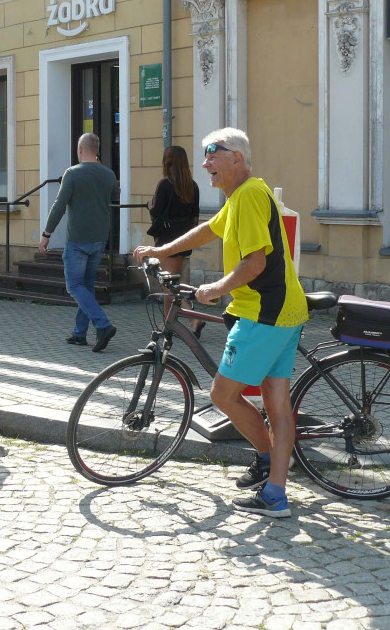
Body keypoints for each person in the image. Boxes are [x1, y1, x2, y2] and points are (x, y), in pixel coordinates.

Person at [133, 128, 309, 519]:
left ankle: (267, 462)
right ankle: (275, 489)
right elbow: (210, 229)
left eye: (215, 153)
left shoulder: (246, 196)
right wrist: (161, 250)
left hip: (263, 314)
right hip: (286, 311)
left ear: (238, 159)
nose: (206, 162)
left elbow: (255, 263)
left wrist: (214, 288)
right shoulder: (245, 193)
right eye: (205, 154)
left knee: (222, 395)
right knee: (276, 406)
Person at [39, 133, 120, 352]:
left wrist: (47, 233)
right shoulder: (109, 174)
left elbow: (59, 205)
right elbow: (115, 195)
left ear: (80, 150)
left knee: (75, 286)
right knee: (87, 286)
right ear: (98, 151)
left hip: (77, 239)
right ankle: (79, 333)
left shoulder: (72, 174)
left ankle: (103, 325)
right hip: (99, 238)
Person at [147, 145, 201, 326]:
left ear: (167, 162)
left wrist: (150, 206)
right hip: (185, 237)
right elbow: (195, 214)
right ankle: (168, 323)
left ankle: (193, 318)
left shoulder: (165, 184)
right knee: (172, 281)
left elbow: (156, 212)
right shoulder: (192, 186)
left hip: (168, 238)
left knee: (168, 284)